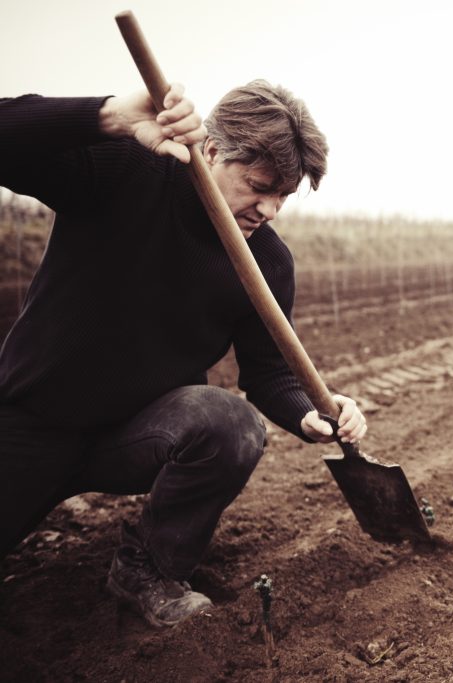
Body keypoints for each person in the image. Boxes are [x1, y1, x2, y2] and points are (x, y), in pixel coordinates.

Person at [0, 81, 366, 627]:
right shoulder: (126, 172)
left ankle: (147, 567)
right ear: (212, 152)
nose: (270, 209)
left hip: (136, 435)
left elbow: (267, 373)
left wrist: (310, 409)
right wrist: (110, 116)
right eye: (260, 186)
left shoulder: (267, 262)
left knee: (229, 423)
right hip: (30, 423)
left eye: (284, 196)